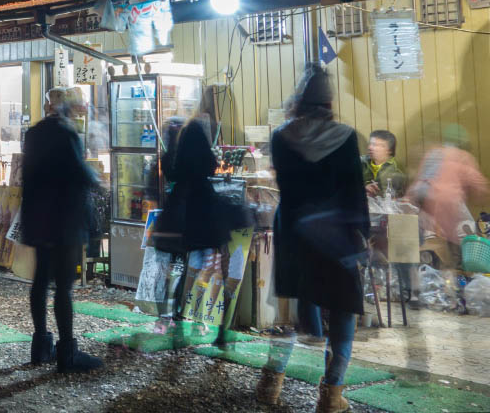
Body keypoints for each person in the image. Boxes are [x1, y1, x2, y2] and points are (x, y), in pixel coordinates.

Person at [258, 64, 368, 413]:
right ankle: (331, 395)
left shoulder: (280, 137)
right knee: (343, 311)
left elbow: (284, 186)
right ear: (329, 102)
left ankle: (270, 385)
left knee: (286, 314)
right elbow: (354, 193)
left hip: (293, 231)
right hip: (337, 234)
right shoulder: (346, 137)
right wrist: (363, 234)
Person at [20, 86, 103, 372]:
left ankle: (40, 345)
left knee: (41, 281)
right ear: (67, 108)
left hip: (38, 218)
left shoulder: (33, 133)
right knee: (64, 287)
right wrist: (98, 178)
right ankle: (67, 352)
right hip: (64, 219)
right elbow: (79, 172)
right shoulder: (67, 134)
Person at [149, 117, 251, 341]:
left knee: (180, 271)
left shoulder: (177, 160)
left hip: (180, 213)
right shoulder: (206, 159)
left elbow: (169, 171)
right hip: (207, 211)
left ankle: (175, 317)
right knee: (215, 268)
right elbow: (212, 168)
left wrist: (172, 144)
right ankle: (216, 326)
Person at [408, 124, 488, 268]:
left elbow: (419, 183)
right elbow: (479, 188)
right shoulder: (463, 157)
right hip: (452, 209)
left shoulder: (433, 154)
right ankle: (456, 279)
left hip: (427, 211)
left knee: (435, 252)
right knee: (458, 249)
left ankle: (436, 275)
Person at [363, 130, 407, 199]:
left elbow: (397, 196)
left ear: (389, 150)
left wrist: (376, 194)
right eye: (370, 144)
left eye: (376, 145)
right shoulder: (360, 162)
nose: (370, 148)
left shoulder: (397, 169)